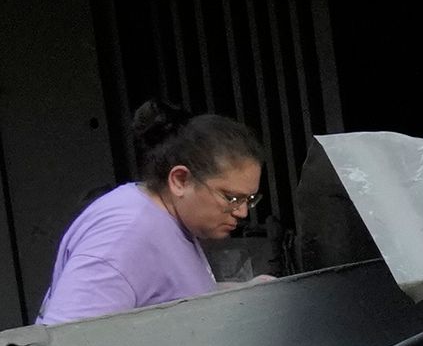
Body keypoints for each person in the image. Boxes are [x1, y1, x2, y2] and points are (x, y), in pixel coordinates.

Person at [38, 104, 264, 322]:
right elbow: (68, 342)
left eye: (249, 199)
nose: (242, 212)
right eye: (231, 198)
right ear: (180, 180)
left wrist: (246, 292)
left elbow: (169, 299)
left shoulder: (167, 218)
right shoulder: (125, 235)